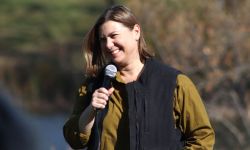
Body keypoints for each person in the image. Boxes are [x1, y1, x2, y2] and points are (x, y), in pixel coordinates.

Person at [63, 5, 215, 150]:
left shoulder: (175, 83)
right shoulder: (92, 86)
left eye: (114, 36)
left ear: (136, 32)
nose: (108, 44)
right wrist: (91, 110)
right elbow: (75, 140)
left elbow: (202, 137)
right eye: (103, 39)